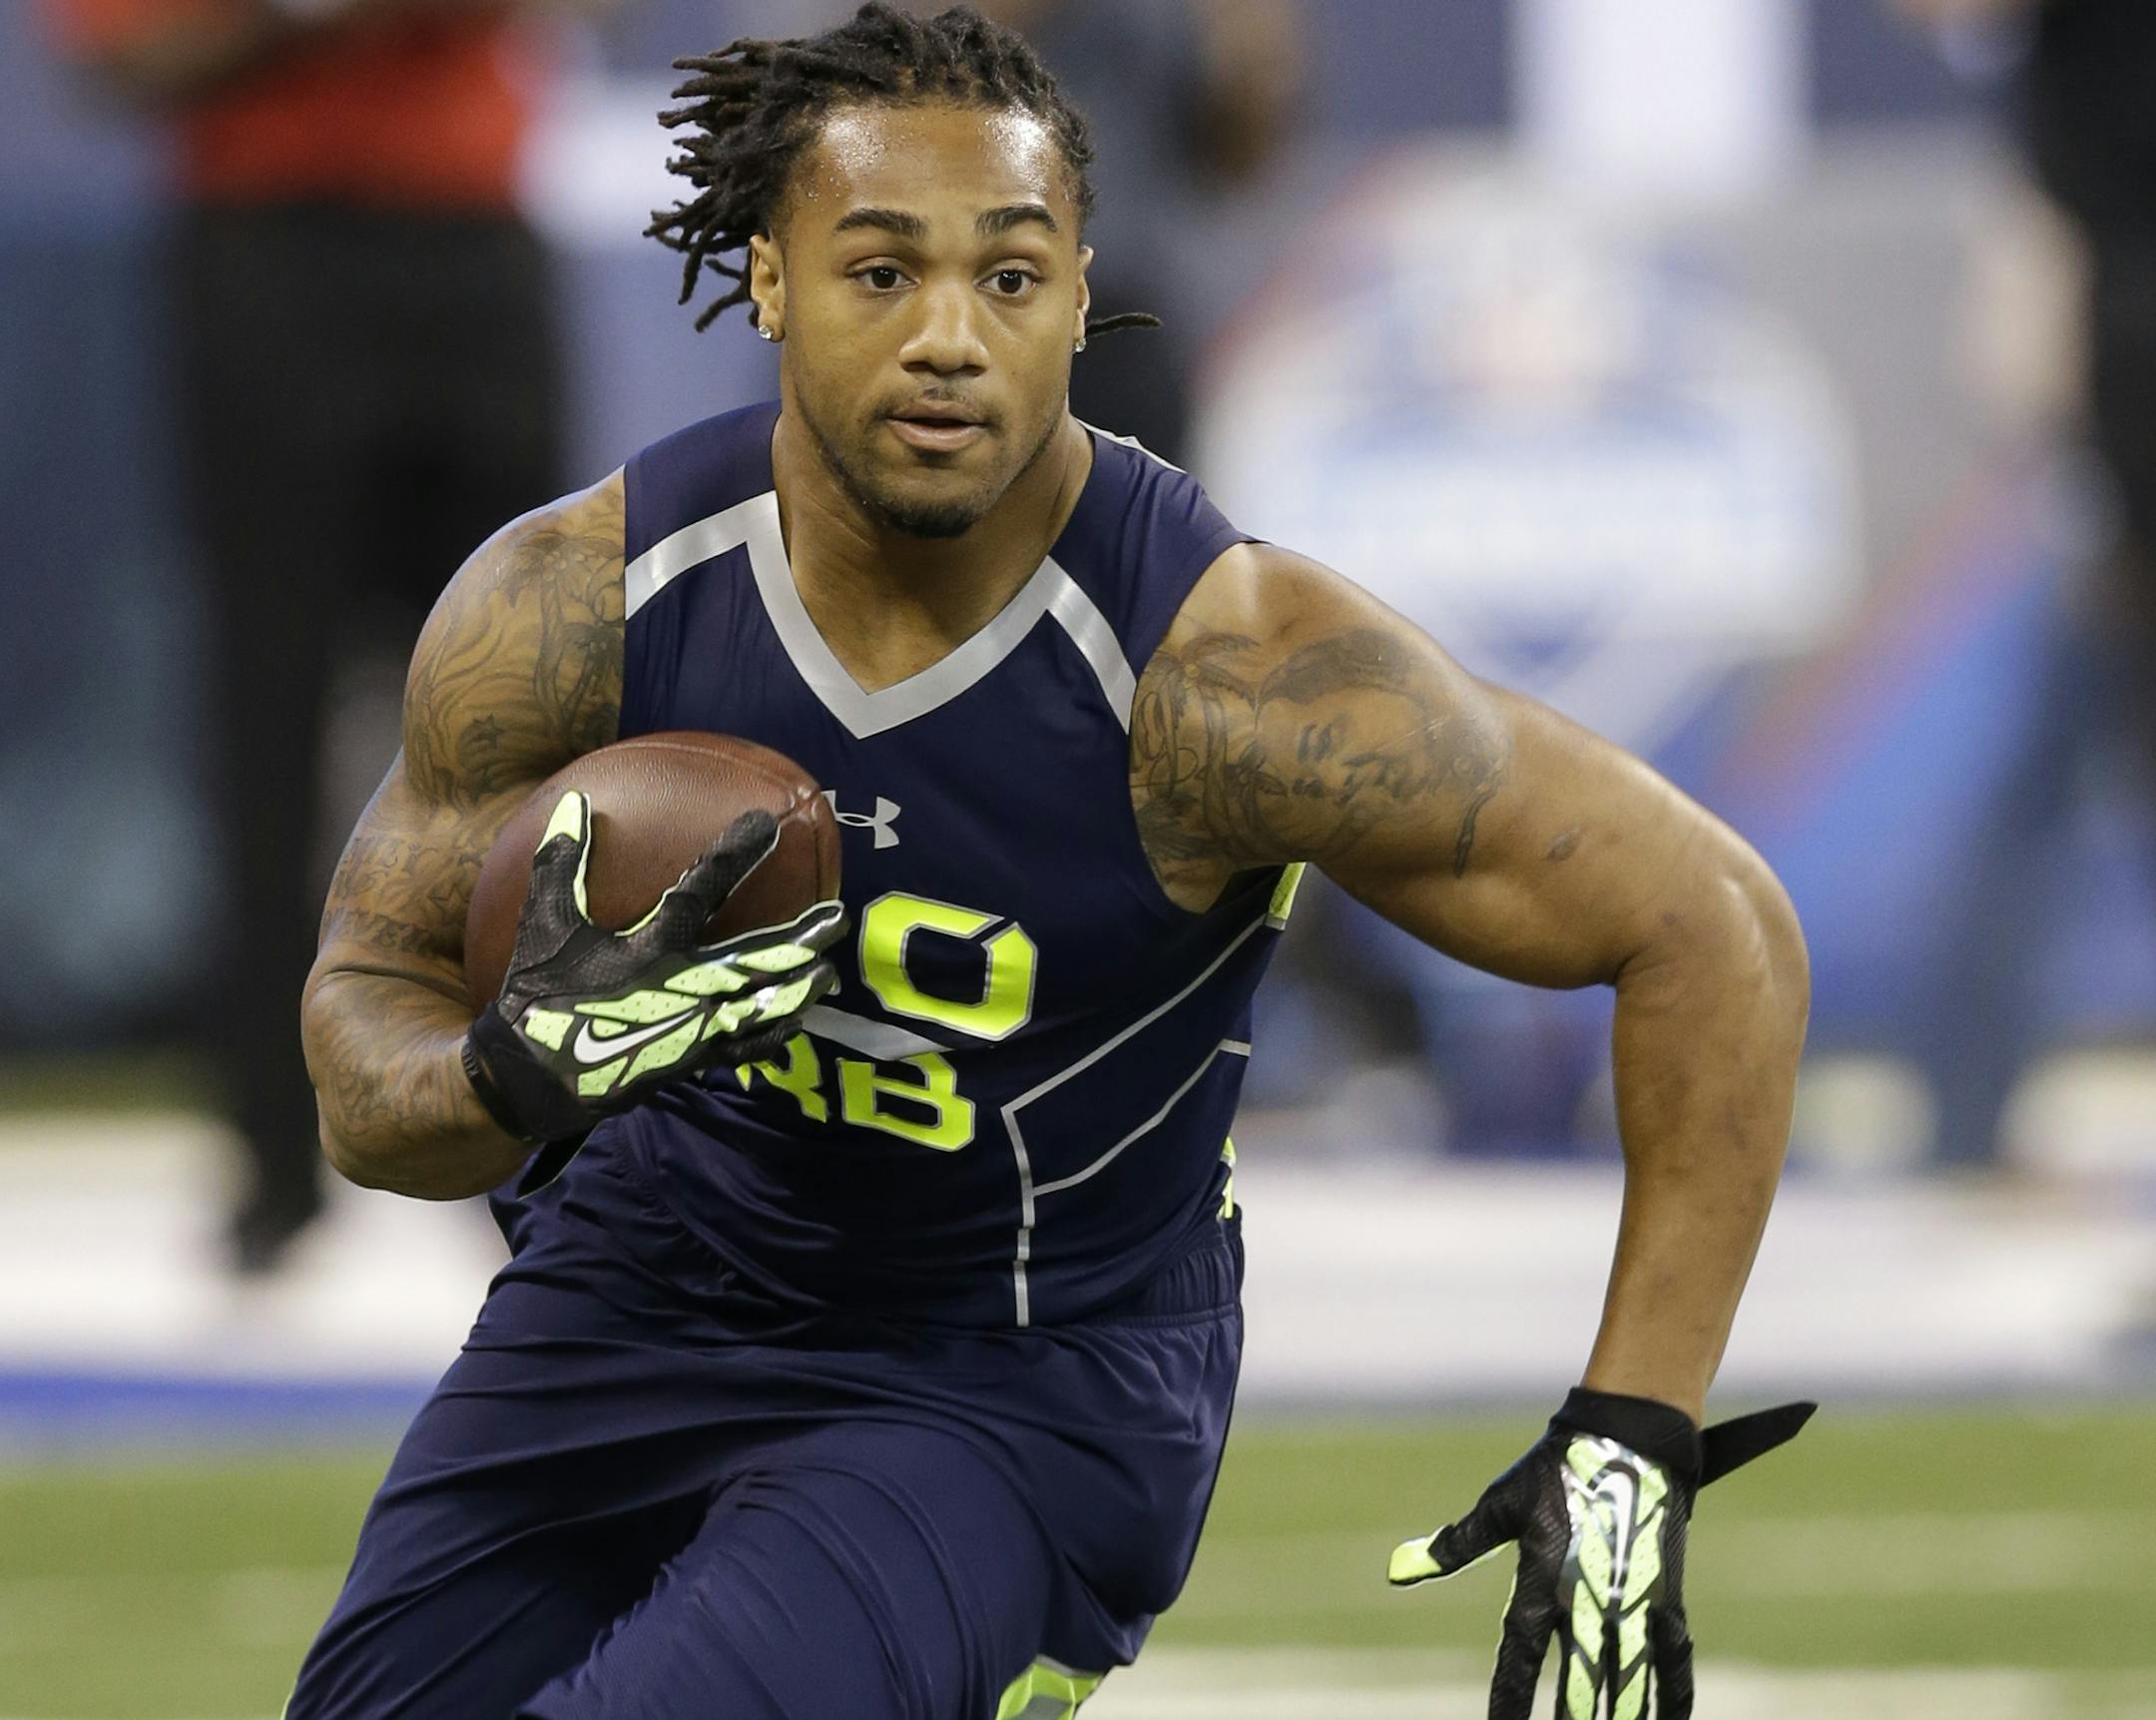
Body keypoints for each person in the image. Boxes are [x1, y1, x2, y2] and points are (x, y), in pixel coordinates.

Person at [291, 7, 1814, 1715]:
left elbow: (1715, 924)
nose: (952, 337)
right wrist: (512, 1066)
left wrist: (1633, 1429)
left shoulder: (1222, 671)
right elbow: (365, 1046)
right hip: (637, 1294)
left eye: (1009, 278)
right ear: (769, 279)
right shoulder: (577, 600)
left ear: (1085, 294)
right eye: (882, 272)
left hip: (1009, 1370)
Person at [40, 0, 584, 1270]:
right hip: (269, 247)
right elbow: (119, 57)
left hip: (471, 237)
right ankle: (276, 1163)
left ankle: (541, 1128)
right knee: (266, 707)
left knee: (535, 711)